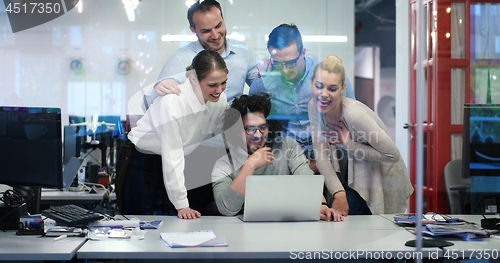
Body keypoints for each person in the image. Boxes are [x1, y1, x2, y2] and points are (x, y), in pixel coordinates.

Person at [128, 50, 229, 219]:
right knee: (146, 225)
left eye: (223, 83)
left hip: (181, 159)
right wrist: (182, 205)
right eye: (212, 85)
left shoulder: (218, 98)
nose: (219, 90)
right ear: (193, 80)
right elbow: (172, 155)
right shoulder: (172, 103)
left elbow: (225, 125)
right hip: (145, 161)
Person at [308, 55, 413, 215]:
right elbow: (321, 156)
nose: (323, 94)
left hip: (380, 177)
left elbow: (393, 155)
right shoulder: (313, 107)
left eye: (332, 88)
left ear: (343, 88)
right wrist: (338, 192)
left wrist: (347, 143)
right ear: (311, 83)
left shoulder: (354, 115)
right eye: (319, 86)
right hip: (349, 175)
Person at [211, 94, 343, 222]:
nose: (257, 135)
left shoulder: (287, 146)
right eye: (250, 129)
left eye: (262, 127)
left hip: (286, 229)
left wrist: (321, 205)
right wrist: (250, 165)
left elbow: (306, 180)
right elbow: (227, 209)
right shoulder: (223, 165)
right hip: (241, 232)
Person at [248, 24, 354, 174]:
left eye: (291, 63)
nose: (285, 70)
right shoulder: (262, 83)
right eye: (278, 63)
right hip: (285, 163)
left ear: (303, 52)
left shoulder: (329, 76)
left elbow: (352, 119)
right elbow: (252, 126)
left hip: (330, 158)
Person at [143, 0, 257, 108]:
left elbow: (262, 91)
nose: (215, 35)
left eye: (218, 26)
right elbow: (152, 103)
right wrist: (157, 90)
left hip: (235, 125)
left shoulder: (243, 52)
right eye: (206, 31)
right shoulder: (179, 60)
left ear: (223, 19)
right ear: (193, 30)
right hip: (196, 127)